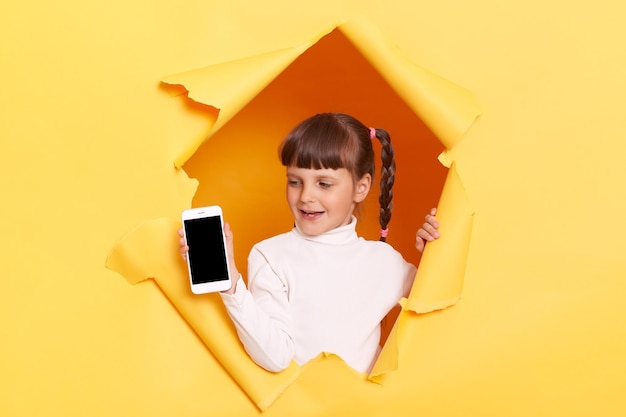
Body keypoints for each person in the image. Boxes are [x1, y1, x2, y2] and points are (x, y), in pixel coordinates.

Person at [178, 113, 440, 374]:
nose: (305, 196)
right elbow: (276, 357)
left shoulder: (385, 261)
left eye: (324, 184)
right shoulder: (270, 256)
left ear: (361, 188)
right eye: (295, 182)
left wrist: (434, 253)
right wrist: (231, 284)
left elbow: (439, 308)